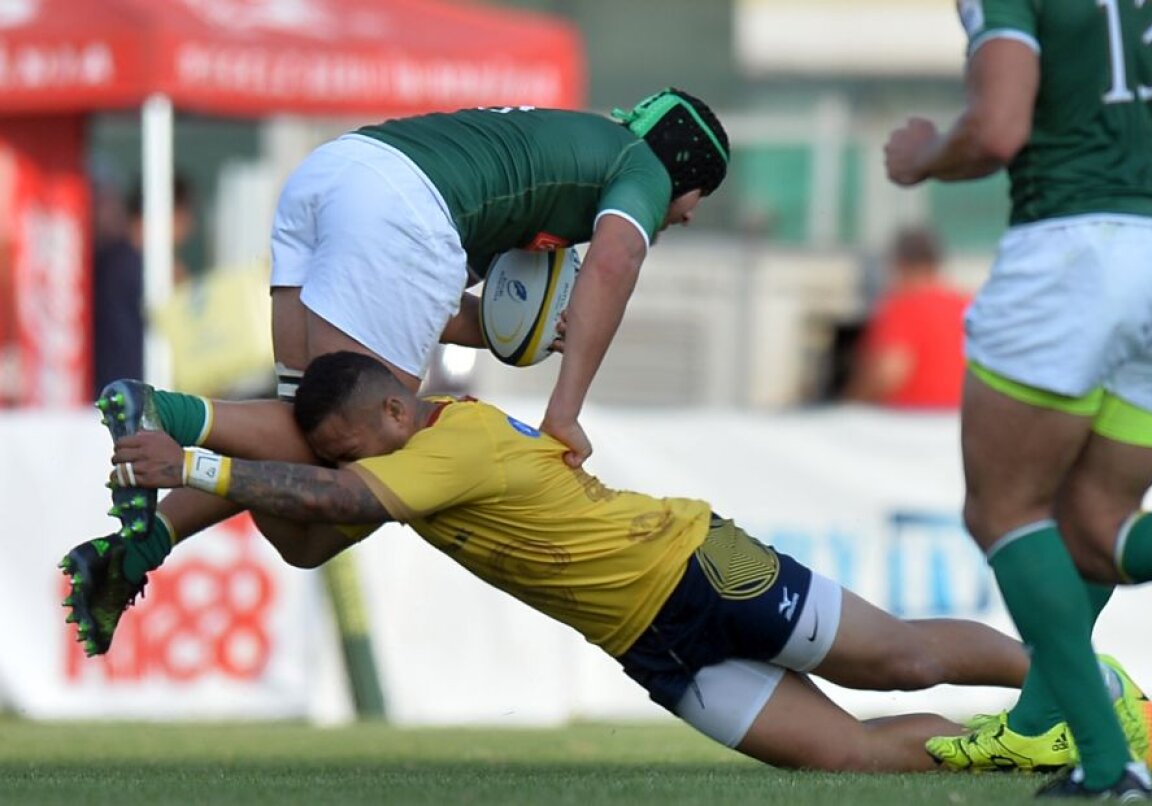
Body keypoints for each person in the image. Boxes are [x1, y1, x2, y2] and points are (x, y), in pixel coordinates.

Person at [90, 351, 1152, 773]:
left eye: (347, 443)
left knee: (889, 655)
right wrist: (166, 513)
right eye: (335, 453)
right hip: (651, 640)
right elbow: (309, 523)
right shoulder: (395, 456)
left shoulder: (445, 438)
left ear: (389, 406)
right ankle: (1032, 748)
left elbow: (319, 495)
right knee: (844, 756)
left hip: (699, 562)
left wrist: (190, 453)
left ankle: (1088, 684)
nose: (342, 463)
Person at [73, 89, 732, 638]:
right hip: (401, 207)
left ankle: (145, 543)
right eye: (699, 196)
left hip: (336, 174)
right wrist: (565, 411)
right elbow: (617, 263)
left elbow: (418, 302)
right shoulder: (644, 165)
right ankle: (162, 413)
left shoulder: (559, 151)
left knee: (313, 444)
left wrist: (507, 332)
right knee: (376, 447)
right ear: (687, 168)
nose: (690, 216)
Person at [885, 1, 1152, 798]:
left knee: (1004, 511)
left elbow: (996, 129)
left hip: (1072, 256)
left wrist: (923, 156)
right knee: (1096, 530)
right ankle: (1082, 750)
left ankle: (1093, 756)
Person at [92, 176, 194, 398]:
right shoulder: (128, 268)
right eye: (184, 218)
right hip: (122, 400)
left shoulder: (119, 261)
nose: (188, 229)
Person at [844, 228, 969, 408]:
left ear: (899, 263)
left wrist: (852, 401)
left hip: (910, 422)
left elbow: (889, 372)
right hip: (958, 419)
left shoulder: (903, 306)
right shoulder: (968, 305)